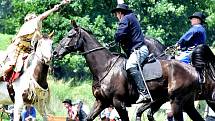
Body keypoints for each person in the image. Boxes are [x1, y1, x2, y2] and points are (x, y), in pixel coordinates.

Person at [0, 2, 62, 82]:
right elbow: (42, 16)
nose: (37, 20)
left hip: (28, 51)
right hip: (17, 49)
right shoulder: (26, 27)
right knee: (10, 66)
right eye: (34, 18)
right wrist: (54, 9)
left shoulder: (35, 31)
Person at [111, 3, 150, 103]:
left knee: (130, 65)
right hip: (137, 50)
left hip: (139, 50)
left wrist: (115, 38)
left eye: (116, 14)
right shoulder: (131, 17)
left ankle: (144, 93)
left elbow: (120, 34)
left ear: (120, 13)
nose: (116, 16)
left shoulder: (125, 19)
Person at [175, 12, 207, 82]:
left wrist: (178, 45)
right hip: (198, 51)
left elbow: (184, 38)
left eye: (193, 19)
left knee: (177, 63)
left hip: (193, 51)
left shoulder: (196, 28)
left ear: (198, 20)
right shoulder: (202, 29)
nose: (191, 20)